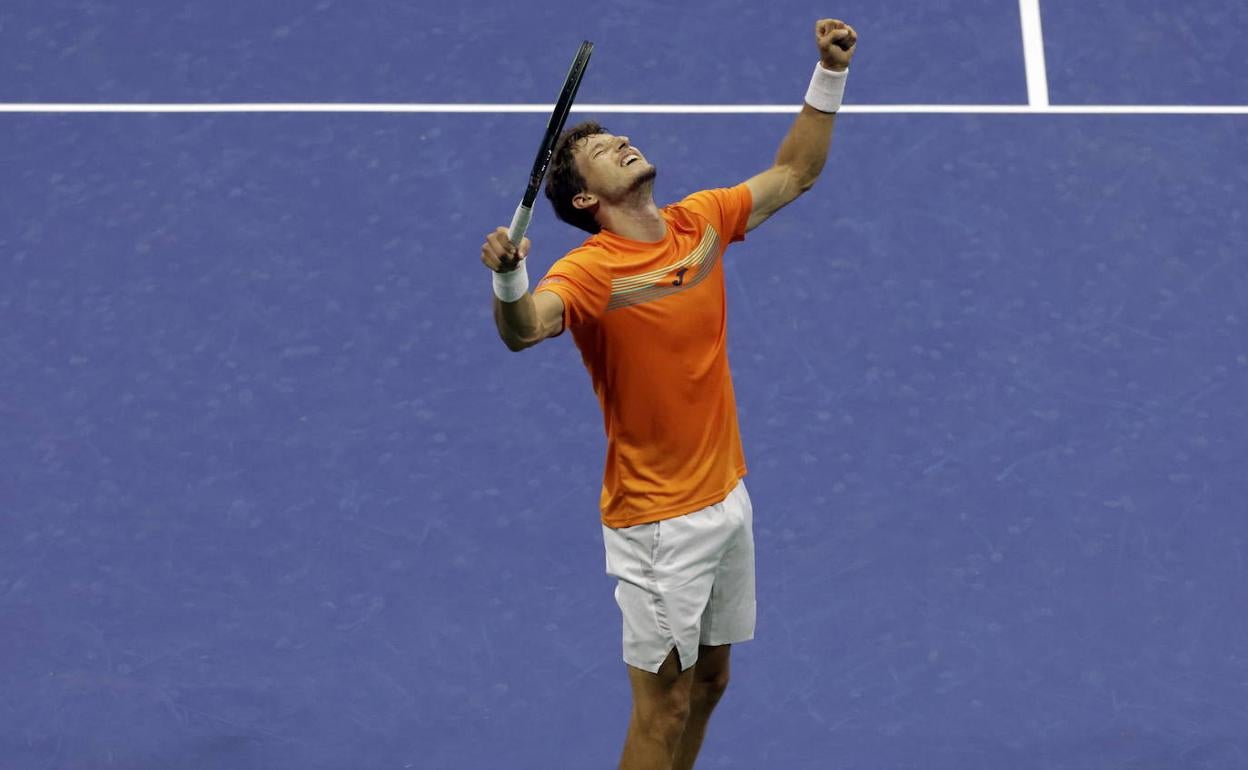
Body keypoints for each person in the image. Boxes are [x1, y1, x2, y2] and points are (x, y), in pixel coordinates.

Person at [480, 19, 858, 770]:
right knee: (663, 707)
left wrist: (828, 73)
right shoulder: (590, 273)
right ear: (587, 202)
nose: (620, 143)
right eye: (598, 151)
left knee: (711, 682)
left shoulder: (701, 224)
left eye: (615, 136)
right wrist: (508, 276)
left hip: (727, 496)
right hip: (656, 526)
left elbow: (795, 174)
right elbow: (524, 329)